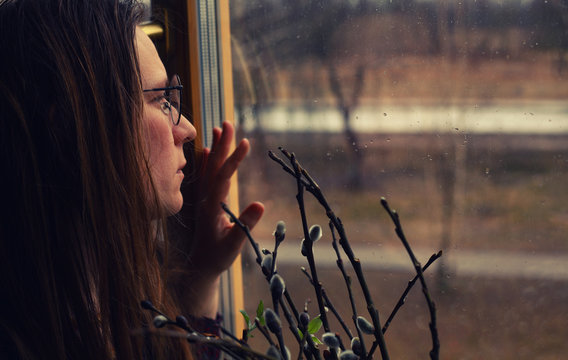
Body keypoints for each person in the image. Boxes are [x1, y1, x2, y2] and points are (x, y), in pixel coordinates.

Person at [0, 0, 264, 359]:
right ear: (68, 129)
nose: (188, 129)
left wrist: (201, 274)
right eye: (161, 100)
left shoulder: (101, 300)